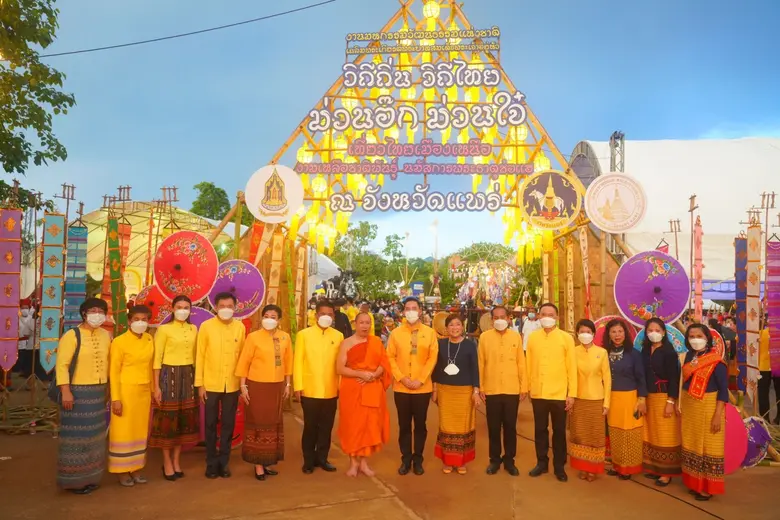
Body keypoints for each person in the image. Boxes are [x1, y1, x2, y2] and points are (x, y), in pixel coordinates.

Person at [55, 298, 112, 494]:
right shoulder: (72, 335)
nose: (97, 314)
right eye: (93, 310)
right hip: (76, 393)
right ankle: (74, 481)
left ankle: (91, 477)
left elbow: (109, 362)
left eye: (101, 311)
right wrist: (66, 391)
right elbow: (62, 365)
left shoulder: (106, 335)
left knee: (95, 438)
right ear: (84, 313)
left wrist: (108, 389)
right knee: (76, 437)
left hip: (98, 393)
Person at [236, 304, 292, 481]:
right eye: (266, 316)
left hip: (276, 386)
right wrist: (243, 386)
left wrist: (288, 384)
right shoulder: (253, 337)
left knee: (273, 423)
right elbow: (244, 362)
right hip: (257, 386)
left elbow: (288, 362)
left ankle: (267, 461)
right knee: (258, 423)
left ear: (279, 320)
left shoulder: (285, 337)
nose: (269, 319)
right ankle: (258, 465)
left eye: (273, 317)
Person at [196, 292, 246, 479]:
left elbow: (243, 357)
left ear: (235, 308)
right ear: (216, 307)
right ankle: (211, 463)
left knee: (228, 424)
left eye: (230, 306)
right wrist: (200, 384)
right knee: (210, 424)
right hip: (210, 384)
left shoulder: (240, 327)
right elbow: (200, 355)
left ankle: (224, 463)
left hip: (232, 384)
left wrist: (242, 384)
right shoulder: (206, 326)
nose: (226, 309)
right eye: (222, 306)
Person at [387, 296, 439, 476]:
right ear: (403, 312)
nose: (411, 311)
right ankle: (406, 459)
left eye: (414, 308)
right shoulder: (396, 333)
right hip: (401, 387)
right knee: (404, 425)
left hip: (422, 388)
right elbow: (390, 357)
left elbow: (432, 358)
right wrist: (401, 378)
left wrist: (421, 379)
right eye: (407, 308)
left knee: (420, 425)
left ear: (420, 311)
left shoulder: (429, 333)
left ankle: (418, 459)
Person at [150, 295, 199, 480]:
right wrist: (156, 386)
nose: (182, 310)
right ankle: (166, 461)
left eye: (186, 307)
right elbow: (157, 360)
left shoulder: (194, 329)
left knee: (183, 421)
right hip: (168, 376)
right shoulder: (164, 329)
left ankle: (176, 460)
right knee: (167, 421)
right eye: (179, 307)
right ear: (172, 308)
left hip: (189, 377)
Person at [337, 312, 392, 477]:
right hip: (352, 388)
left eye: (368, 323)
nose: (365, 326)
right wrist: (359, 374)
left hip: (372, 387)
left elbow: (384, 363)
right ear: (355, 324)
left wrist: (373, 375)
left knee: (370, 426)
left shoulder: (376, 342)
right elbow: (340, 368)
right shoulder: (346, 343)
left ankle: (363, 463)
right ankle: (353, 463)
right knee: (352, 426)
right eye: (362, 322)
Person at [526, 303, 576, 482]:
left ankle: (559, 466)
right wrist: (529, 387)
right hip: (538, 392)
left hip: (559, 393)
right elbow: (528, 363)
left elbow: (572, 367)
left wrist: (571, 393)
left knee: (559, 431)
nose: (547, 317)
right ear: (539, 316)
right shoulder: (533, 337)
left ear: (557, 317)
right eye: (544, 314)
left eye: (551, 314)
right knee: (540, 429)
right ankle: (541, 463)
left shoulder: (566, 338)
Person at [294, 299, 344, 474]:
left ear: (334, 316)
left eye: (330, 314)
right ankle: (308, 461)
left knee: (326, 427)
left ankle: (322, 458)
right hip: (309, 389)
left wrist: (340, 386)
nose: (326, 317)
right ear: (316, 316)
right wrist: (298, 386)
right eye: (323, 314)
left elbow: (340, 363)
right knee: (310, 427)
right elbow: (298, 362)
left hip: (331, 389)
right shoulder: (304, 335)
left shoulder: (338, 336)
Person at [108, 305, 154, 487]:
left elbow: (150, 367)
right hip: (125, 392)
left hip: (144, 392)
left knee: (139, 431)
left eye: (144, 319)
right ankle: (121, 471)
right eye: (136, 319)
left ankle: (136, 468)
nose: (140, 322)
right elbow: (114, 372)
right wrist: (116, 399)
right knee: (123, 431)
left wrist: (153, 390)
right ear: (129, 321)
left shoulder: (149, 339)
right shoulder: (119, 342)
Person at [680, 324, 728, 501]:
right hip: (690, 408)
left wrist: (717, 415)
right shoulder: (687, 357)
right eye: (691, 336)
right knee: (692, 444)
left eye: (699, 336)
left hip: (709, 407)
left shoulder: (716, 361)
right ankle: (695, 483)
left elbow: (723, 392)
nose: (695, 339)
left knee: (709, 447)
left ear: (707, 338)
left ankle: (707, 487)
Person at [478, 307, 525, 476]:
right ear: (491, 320)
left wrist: (523, 387)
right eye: (496, 317)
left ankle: (509, 461)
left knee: (510, 427)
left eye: (502, 317)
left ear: (508, 318)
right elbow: (481, 363)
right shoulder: (484, 337)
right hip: (492, 389)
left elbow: (521, 362)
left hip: (512, 389)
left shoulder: (515, 337)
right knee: (493, 427)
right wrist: (481, 387)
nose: (499, 320)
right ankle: (494, 460)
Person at [433, 314, 480, 475]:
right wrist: (434, 389)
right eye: (451, 325)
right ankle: (447, 460)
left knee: (464, 427)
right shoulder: (440, 344)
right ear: (446, 328)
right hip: (445, 391)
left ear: (462, 327)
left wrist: (476, 391)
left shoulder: (470, 345)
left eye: (458, 324)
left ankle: (461, 462)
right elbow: (435, 368)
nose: (455, 328)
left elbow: (475, 369)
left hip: (465, 392)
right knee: (446, 425)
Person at [604, 318, 647, 480]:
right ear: (608, 334)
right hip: (611, 398)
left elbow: (641, 377)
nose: (617, 335)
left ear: (625, 333)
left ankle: (628, 468)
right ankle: (617, 465)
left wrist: (641, 399)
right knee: (615, 432)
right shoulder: (604, 353)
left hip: (630, 398)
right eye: (613, 332)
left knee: (629, 433)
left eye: (620, 331)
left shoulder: (634, 354)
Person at [641, 318, 682, 486]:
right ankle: (655, 468)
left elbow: (674, 377)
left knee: (666, 434)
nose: (654, 333)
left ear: (664, 333)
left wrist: (671, 401)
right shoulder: (644, 350)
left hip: (664, 396)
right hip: (649, 396)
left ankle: (666, 472)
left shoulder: (669, 352)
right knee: (652, 432)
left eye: (657, 330)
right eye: (650, 330)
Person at [569, 319, 611, 482]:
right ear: (577, 334)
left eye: (588, 332)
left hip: (596, 399)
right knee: (579, 435)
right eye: (582, 332)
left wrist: (606, 403)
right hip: (578, 399)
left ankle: (593, 469)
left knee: (595, 436)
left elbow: (607, 379)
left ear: (593, 334)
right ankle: (582, 467)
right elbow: (570, 376)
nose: (585, 334)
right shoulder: (573, 351)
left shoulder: (602, 352)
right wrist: (570, 397)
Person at [757, 320, 779, 424]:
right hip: (765, 367)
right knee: (763, 394)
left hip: (773, 366)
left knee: (766, 394)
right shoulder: (761, 333)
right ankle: (766, 419)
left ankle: (768, 419)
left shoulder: (762, 333)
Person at [17, 298, 35, 383]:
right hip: (19, 343)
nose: (25, 310)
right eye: (23, 308)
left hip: (29, 343)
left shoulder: (32, 318)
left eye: (26, 308)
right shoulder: (17, 318)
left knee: (28, 360)